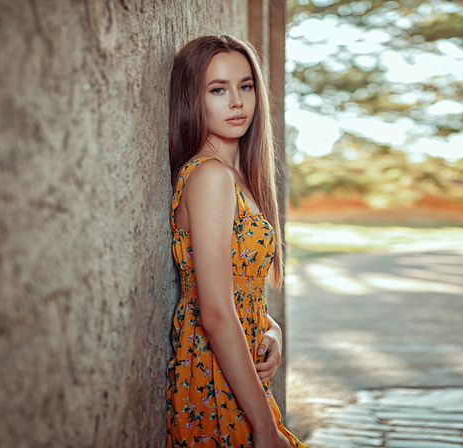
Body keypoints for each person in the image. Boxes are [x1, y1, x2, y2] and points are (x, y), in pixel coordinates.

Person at [165, 34, 306, 448]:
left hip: (239, 376)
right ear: (192, 98)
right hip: (212, 384)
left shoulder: (237, 177)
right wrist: (264, 427)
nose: (237, 102)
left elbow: (238, 288)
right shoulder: (209, 177)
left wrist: (271, 328)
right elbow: (214, 311)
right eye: (218, 89)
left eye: (245, 86)